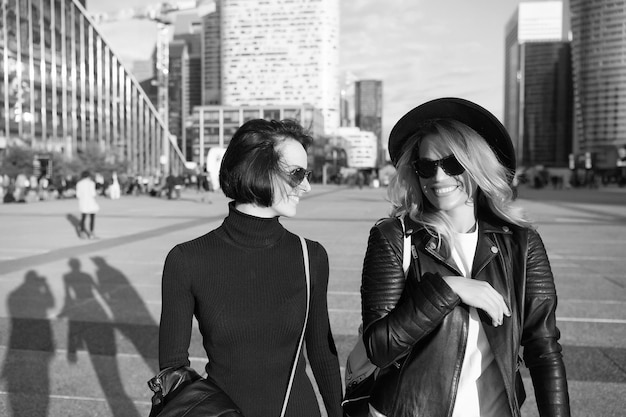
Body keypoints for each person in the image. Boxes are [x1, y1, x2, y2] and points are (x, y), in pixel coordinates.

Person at [360, 98, 570, 417]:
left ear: (476, 166)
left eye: (453, 164)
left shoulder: (522, 243)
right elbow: (379, 347)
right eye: (426, 166)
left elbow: (544, 349)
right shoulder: (393, 237)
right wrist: (450, 289)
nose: (439, 177)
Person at [159, 119, 343, 417]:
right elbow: (173, 370)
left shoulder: (311, 256)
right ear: (258, 168)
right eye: (298, 174)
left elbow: (322, 354)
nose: (307, 186)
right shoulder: (186, 260)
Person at [75, 170, 100, 239]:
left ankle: (82, 233)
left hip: (83, 203)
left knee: (83, 218)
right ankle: (92, 233)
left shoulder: (79, 183)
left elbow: (78, 195)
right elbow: (93, 194)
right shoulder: (91, 183)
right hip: (91, 203)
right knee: (92, 218)